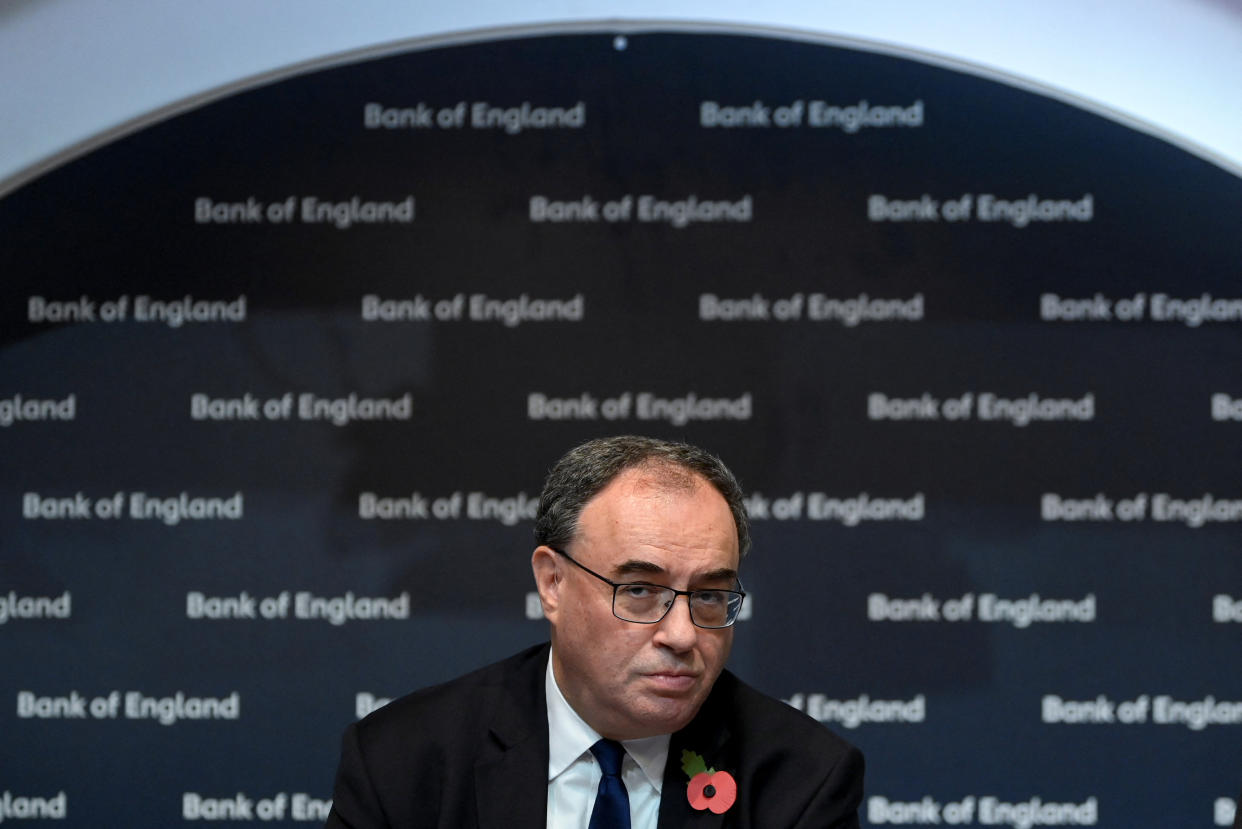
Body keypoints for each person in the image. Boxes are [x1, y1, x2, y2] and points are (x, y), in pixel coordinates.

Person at [324, 435, 863, 828]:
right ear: (553, 583)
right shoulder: (403, 762)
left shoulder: (801, 781)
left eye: (708, 596)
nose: (682, 635)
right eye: (639, 590)